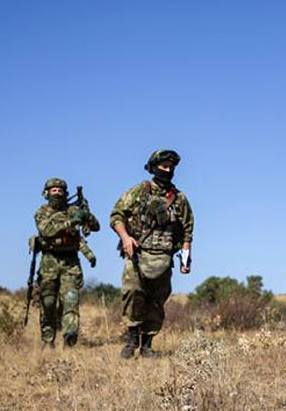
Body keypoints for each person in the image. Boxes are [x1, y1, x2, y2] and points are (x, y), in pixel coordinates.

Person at [110, 150, 194, 359]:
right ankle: (131, 341)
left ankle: (147, 345)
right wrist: (125, 238)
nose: (168, 170)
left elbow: (187, 232)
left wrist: (185, 260)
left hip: (163, 258)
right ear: (154, 167)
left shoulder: (179, 199)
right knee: (133, 295)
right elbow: (116, 215)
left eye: (171, 167)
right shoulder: (140, 191)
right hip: (138, 255)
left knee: (156, 301)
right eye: (164, 166)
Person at [34, 178, 100, 347]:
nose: (57, 193)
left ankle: (69, 339)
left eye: (60, 190)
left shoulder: (73, 209)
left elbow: (95, 227)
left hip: (70, 262)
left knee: (71, 300)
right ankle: (48, 340)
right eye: (54, 190)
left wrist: (86, 214)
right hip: (49, 261)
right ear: (47, 193)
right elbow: (47, 231)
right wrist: (71, 222)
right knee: (48, 302)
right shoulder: (41, 212)